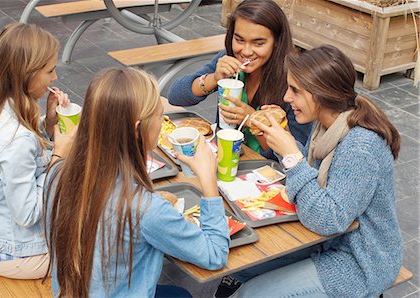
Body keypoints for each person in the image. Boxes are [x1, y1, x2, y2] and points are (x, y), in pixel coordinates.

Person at [44, 67, 230, 297]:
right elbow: (214, 255)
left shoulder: (57, 173)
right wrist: (208, 181)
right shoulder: (146, 208)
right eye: (159, 115)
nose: (162, 122)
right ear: (137, 130)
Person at [237, 45, 403, 297]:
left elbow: (329, 219)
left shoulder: (361, 147)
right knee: (240, 267)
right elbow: (311, 179)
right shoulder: (327, 125)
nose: (285, 98)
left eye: (295, 91)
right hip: (323, 242)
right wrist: (282, 142)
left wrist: (291, 155)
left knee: (251, 293)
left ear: (322, 94)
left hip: (359, 260)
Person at [0, 22, 74, 279]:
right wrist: (59, 156)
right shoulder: (16, 139)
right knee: (109, 241)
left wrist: (49, 123)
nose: (55, 78)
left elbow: (22, 157)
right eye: (50, 70)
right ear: (26, 73)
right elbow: (27, 214)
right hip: (16, 254)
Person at [167, 0, 312, 159]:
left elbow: (294, 156)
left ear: (276, 42)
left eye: (258, 43)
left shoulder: (294, 82)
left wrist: (252, 119)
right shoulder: (228, 59)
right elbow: (175, 96)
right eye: (239, 40)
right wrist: (214, 78)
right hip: (224, 159)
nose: (246, 51)